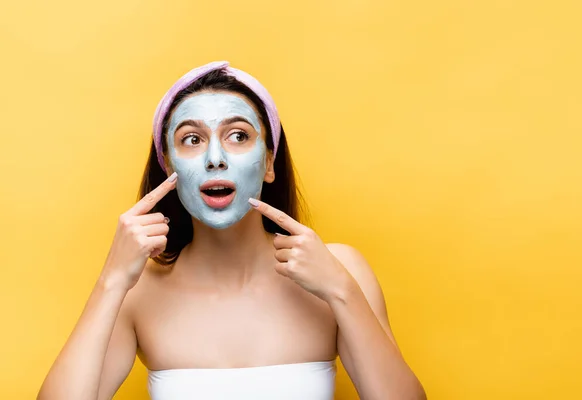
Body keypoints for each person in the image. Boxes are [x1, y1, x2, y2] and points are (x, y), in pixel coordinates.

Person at [38, 61, 426, 400]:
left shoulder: (341, 268)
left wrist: (341, 292)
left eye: (238, 135)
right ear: (169, 169)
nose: (215, 158)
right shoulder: (139, 291)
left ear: (269, 163)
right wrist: (111, 281)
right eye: (192, 139)